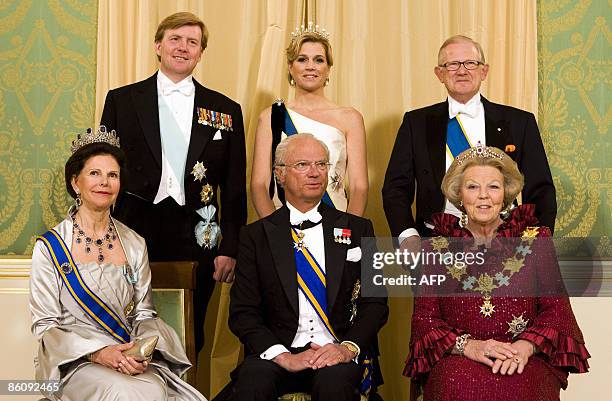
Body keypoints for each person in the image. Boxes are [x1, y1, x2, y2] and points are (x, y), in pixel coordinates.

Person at [100, 12, 247, 357]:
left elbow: (234, 185)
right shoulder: (122, 100)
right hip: (132, 226)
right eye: (175, 39)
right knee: (123, 325)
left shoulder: (225, 109)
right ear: (158, 45)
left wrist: (231, 247)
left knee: (191, 331)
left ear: (200, 53)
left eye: (192, 42)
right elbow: (104, 170)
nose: (183, 47)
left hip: (199, 233)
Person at [29, 127, 207, 401]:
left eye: (112, 175)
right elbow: (46, 326)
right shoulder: (50, 247)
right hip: (75, 362)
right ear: (76, 183)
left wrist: (140, 349)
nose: (104, 182)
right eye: (94, 173)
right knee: (122, 392)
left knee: (155, 391)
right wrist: (99, 353)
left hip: (126, 357)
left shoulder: (134, 243)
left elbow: (144, 314)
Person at [403, 145, 589, 401]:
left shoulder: (535, 239)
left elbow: (556, 310)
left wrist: (525, 347)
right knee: (455, 384)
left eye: (493, 186)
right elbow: (425, 319)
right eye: (472, 187)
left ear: (506, 193)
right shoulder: (435, 247)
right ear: (458, 194)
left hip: (522, 357)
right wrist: (469, 347)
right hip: (460, 358)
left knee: (522, 386)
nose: (484, 196)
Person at [228, 133, 387, 400]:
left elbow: (378, 303)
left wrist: (347, 348)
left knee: (334, 386)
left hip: (336, 351)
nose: (314, 173)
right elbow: (242, 312)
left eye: (321, 164)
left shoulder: (362, 227)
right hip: (279, 351)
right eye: (302, 165)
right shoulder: (254, 236)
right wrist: (282, 356)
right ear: (279, 174)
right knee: (253, 383)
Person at [382, 35, 557, 251]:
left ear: (484, 71)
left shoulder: (519, 122)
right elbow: (395, 188)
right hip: (436, 245)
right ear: (440, 74)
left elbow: (541, 189)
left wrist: (537, 243)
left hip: (507, 244)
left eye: (470, 63)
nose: (462, 71)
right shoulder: (416, 123)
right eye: (452, 64)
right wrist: (408, 236)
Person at [250, 24, 368, 218]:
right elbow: (259, 185)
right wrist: (275, 234)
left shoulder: (350, 118)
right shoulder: (271, 116)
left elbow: (359, 187)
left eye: (319, 60)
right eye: (302, 59)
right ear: (290, 66)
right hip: (282, 224)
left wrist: (348, 231)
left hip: (336, 223)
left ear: (329, 68)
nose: (310, 66)